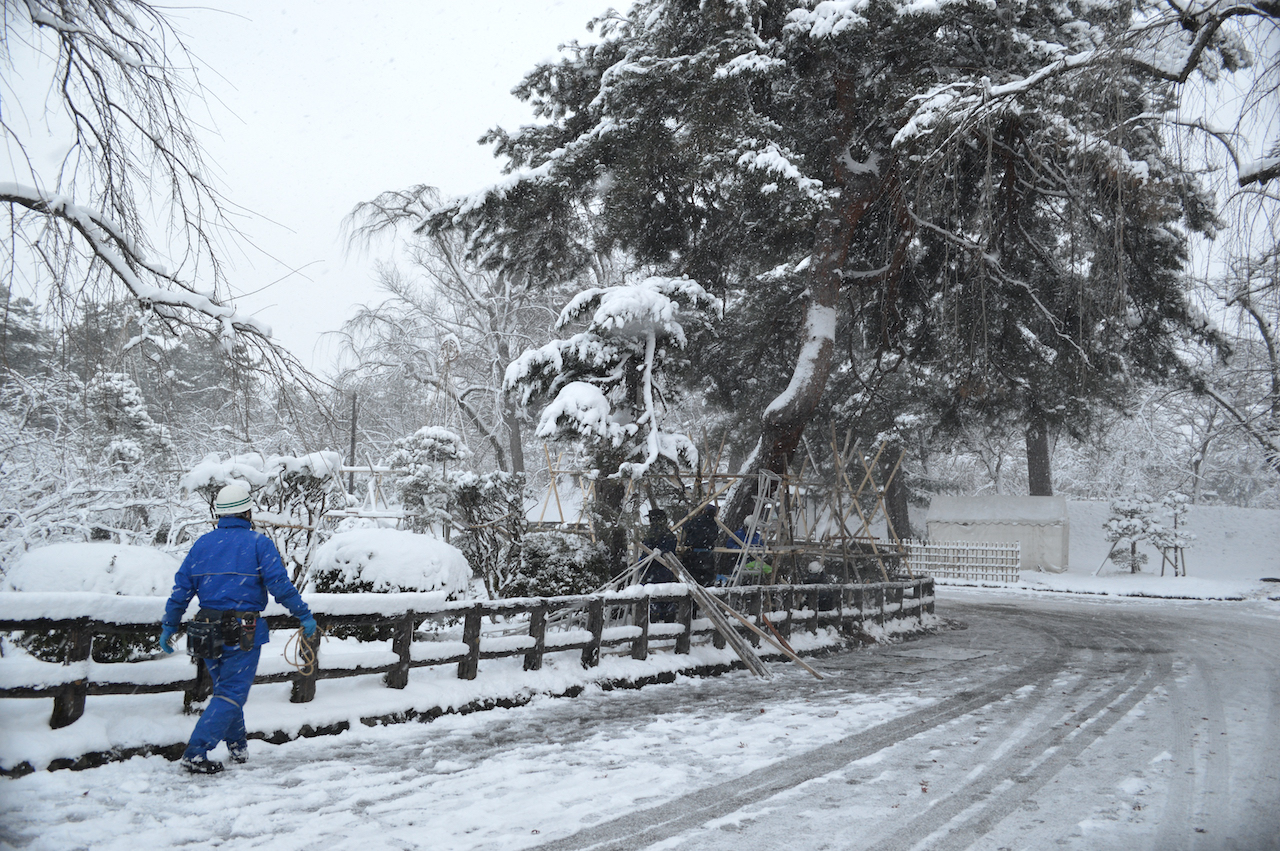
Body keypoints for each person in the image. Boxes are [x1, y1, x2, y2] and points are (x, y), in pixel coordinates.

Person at [160, 484, 317, 775]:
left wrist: (170, 623)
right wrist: (304, 615)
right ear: (247, 511)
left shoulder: (203, 545)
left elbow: (182, 588)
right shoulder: (259, 544)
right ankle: (196, 752)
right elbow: (279, 586)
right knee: (233, 692)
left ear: (219, 513)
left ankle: (238, 747)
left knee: (225, 691)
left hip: (205, 628)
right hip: (242, 630)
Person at [682, 504, 719, 586]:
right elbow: (714, 537)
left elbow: (686, 527)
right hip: (707, 555)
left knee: (693, 579)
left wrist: (686, 516)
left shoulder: (696, 521)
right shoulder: (714, 525)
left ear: (704, 511)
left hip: (695, 555)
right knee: (707, 581)